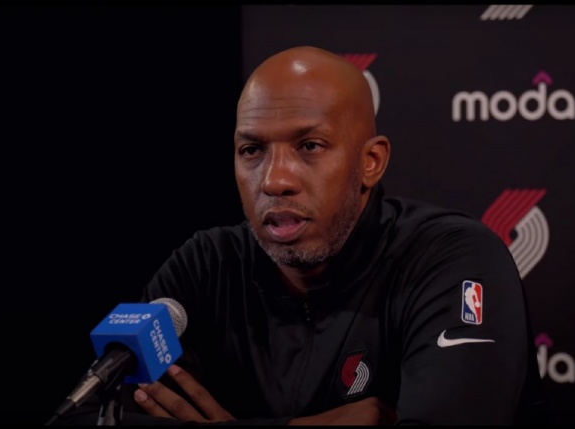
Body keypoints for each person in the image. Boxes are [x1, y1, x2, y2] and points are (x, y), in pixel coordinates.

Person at [57, 45, 549, 425]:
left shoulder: (450, 259)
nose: (274, 180)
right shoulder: (207, 266)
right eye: (252, 150)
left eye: (310, 146)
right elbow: (90, 416)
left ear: (371, 162)